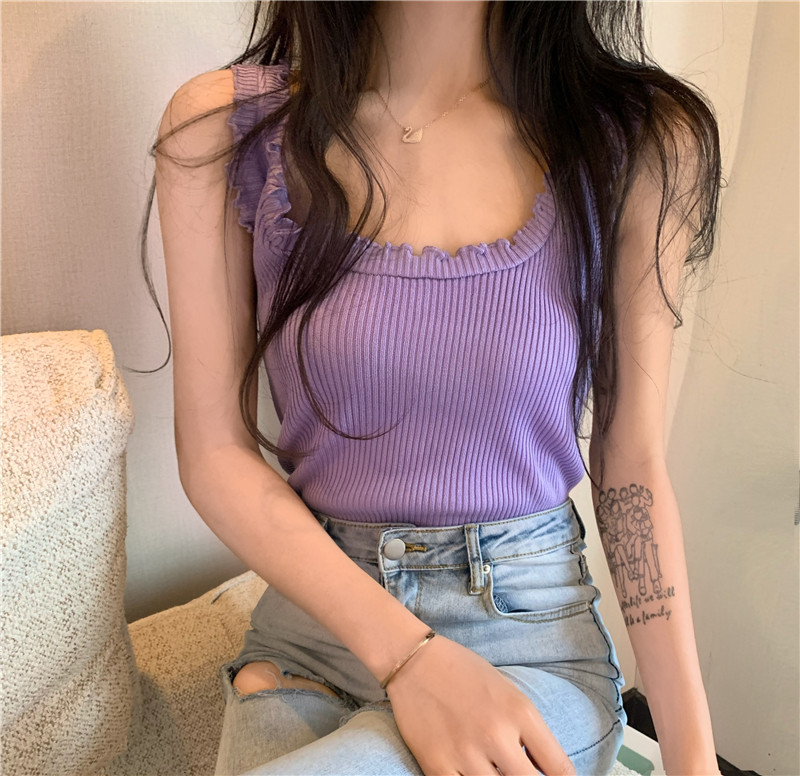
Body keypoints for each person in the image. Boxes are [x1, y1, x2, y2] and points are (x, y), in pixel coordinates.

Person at [150, 2, 724, 774]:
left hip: (529, 639)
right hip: (316, 633)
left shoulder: (637, 139)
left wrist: (693, 759)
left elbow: (632, 468)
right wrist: (409, 657)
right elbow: (213, 453)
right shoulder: (225, 130)